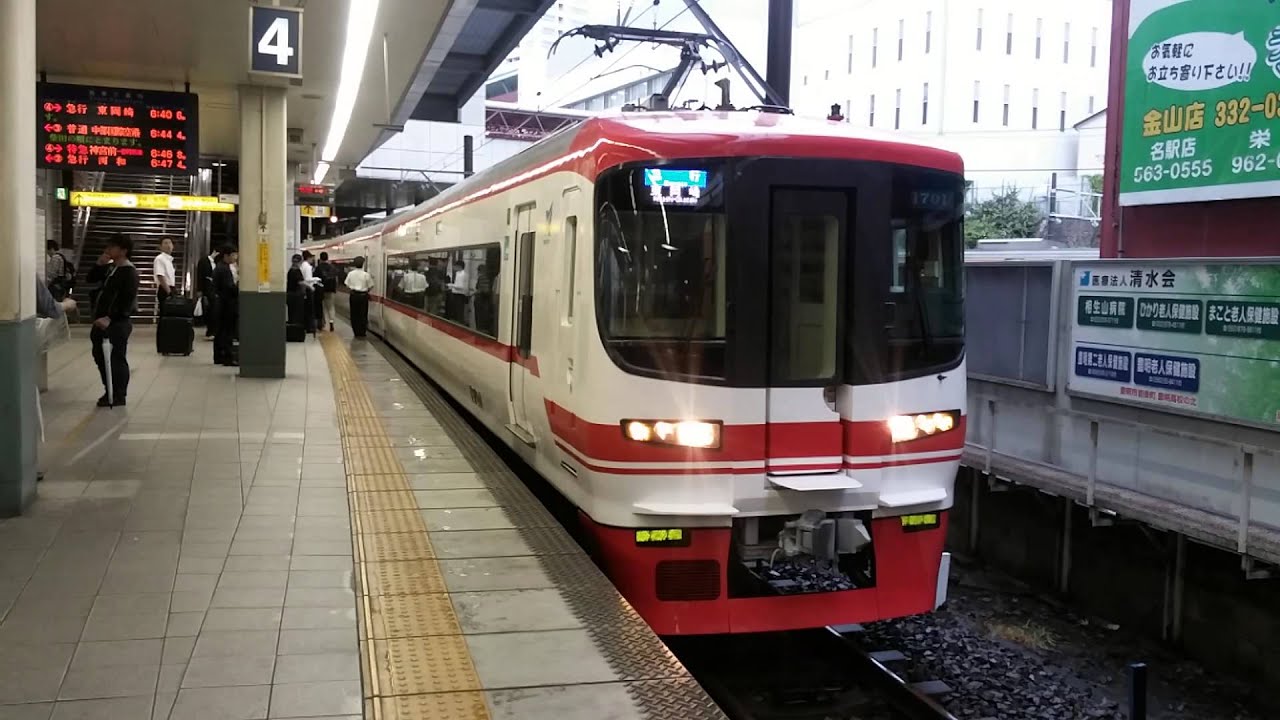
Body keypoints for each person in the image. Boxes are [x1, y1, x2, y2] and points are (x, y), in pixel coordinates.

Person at [89, 234, 139, 408]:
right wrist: (99, 264)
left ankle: (119, 394)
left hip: (117, 323)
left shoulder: (128, 271)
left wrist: (110, 318)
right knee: (100, 356)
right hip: (101, 321)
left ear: (123, 250)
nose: (108, 250)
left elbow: (127, 300)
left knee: (116, 358)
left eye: (112, 247)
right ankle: (109, 388)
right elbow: (90, 279)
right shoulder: (112, 268)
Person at [213, 246, 240, 366]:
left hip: (221, 303)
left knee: (221, 331)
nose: (236, 257)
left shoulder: (221, 267)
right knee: (227, 331)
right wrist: (238, 287)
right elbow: (229, 287)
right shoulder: (224, 269)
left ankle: (219, 356)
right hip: (227, 304)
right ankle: (227, 357)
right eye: (234, 255)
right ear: (227, 255)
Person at [344, 256, 374, 337]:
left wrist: (352, 288)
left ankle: (356, 332)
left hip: (353, 296)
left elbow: (346, 284)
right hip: (363, 296)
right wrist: (366, 291)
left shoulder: (350, 274)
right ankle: (362, 332)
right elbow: (371, 285)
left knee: (354, 314)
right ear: (363, 264)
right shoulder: (366, 275)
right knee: (363, 314)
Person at [196, 248, 218, 337]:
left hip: (213, 289)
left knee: (213, 309)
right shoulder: (204, 261)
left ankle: (212, 330)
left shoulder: (215, 263)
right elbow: (200, 275)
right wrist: (199, 289)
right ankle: (210, 330)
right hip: (207, 288)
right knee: (210, 309)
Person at [152, 237, 175, 318]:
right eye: (165, 243)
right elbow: (160, 276)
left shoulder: (169, 260)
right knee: (165, 315)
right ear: (160, 247)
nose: (168, 245)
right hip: (164, 289)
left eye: (170, 243)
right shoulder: (160, 258)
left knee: (169, 316)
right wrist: (169, 292)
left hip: (170, 288)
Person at [315, 251, 337, 331]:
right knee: (331, 307)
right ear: (327, 258)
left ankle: (322, 323)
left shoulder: (318, 268)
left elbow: (315, 280)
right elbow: (335, 280)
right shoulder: (332, 267)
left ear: (320, 259)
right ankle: (331, 322)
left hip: (320, 290)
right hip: (330, 290)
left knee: (322, 307)